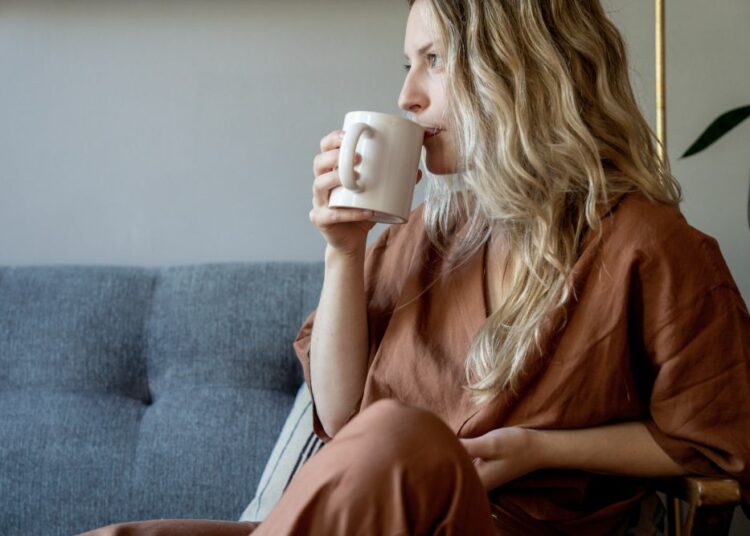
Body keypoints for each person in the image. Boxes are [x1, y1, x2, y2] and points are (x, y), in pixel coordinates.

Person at [81, 1, 750, 535]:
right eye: (408, 64)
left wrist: (538, 448)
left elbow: (717, 439)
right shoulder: (431, 230)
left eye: (434, 60)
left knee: (402, 435)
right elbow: (339, 416)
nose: (406, 95)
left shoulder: (648, 244)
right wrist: (343, 250)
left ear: (523, 67)